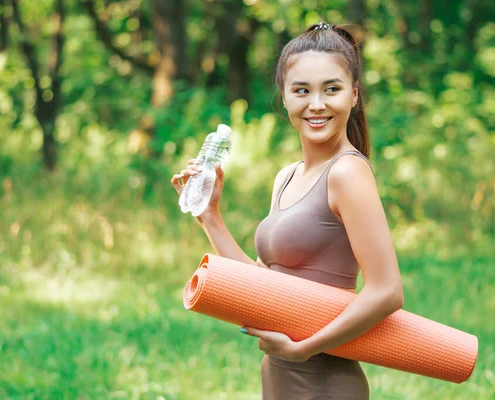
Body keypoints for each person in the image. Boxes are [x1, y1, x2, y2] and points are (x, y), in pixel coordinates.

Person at [171, 21, 403, 400]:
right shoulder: (287, 177)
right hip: (279, 379)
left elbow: (387, 292)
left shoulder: (347, 173)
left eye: (332, 89)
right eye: (301, 90)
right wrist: (209, 216)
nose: (316, 104)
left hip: (326, 383)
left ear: (354, 95)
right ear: (284, 97)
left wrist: (305, 347)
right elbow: (263, 288)